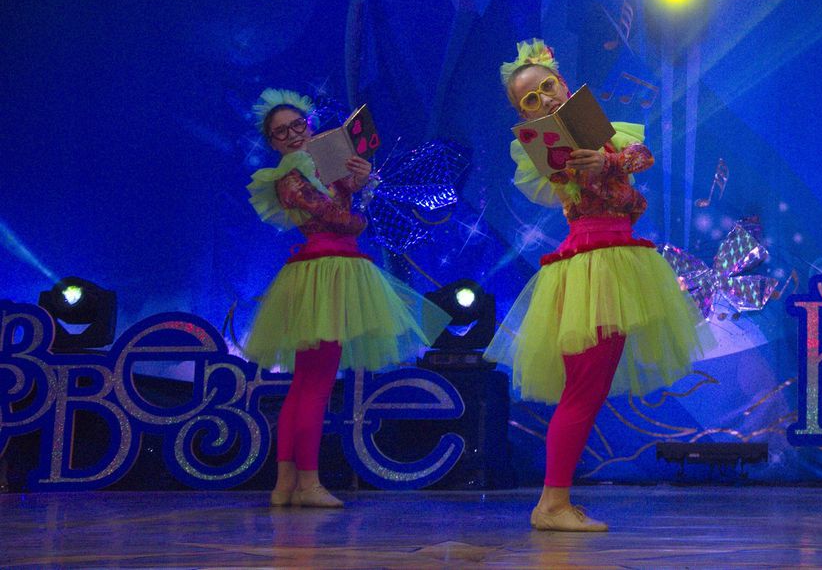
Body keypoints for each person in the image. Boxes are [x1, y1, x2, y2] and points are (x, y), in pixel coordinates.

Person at [486, 39, 704, 532]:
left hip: (613, 259)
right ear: (524, 115)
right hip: (593, 266)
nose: (545, 99)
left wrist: (608, 161)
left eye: (548, 87)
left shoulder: (599, 133)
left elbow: (640, 158)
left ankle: (554, 502)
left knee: (590, 387)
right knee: (584, 390)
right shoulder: (554, 155)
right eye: (531, 100)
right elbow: (604, 193)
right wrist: (593, 169)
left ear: (563, 83)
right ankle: (552, 504)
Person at [243, 89, 448, 509]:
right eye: (281, 132)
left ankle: (286, 484)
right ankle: (306, 483)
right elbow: (341, 219)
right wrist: (355, 208)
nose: (292, 135)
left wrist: (360, 179)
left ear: (310, 125)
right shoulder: (289, 177)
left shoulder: (322, 164)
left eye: (297, 125)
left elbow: (347, 199)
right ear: (273, 143)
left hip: (332, 268)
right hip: (325, 271)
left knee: (307, 383)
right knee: (313, 384)